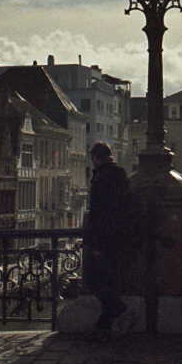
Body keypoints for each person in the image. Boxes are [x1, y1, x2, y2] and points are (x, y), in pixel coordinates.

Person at [82, 140, 131, 337]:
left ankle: (117, 312)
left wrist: (95, 243)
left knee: (95, 281)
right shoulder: (120, 174)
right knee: (110, 281)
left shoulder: (101, 178)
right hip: (119, 236)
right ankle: (105, 325)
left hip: (104, 238)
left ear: (95, 158)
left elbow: (98, 212)